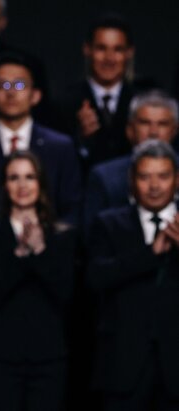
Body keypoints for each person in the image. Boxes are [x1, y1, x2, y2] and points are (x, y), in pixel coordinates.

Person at [0, 151, 76, 411]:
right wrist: (20, 255)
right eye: (14, 178)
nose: (22, 185)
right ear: (4, 185)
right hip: (1, 356)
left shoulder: (62, 235)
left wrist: (40, 251)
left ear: (41, 183)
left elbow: (66, 293)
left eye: (30, 177)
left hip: (49, 356)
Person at [87, 140, 179, 411]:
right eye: (145, 177)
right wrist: (151, 253)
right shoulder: (108, 223)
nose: (154, 186)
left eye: (163, 176)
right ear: (131, 180)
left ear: (177, 179)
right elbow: (96, 278)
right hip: (123, 365)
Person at [0, 55, 81, 229]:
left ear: (35, 95)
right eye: (3, 85)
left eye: (20, 85)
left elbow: (72, 210)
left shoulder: (61, 147)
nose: (11, 92)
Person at [53, 13, 152, 171]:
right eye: (101, 48)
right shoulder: (64, 103)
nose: (109, 58)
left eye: (118, 49)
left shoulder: (145, 102)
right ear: (87, 49)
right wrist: (81, 139)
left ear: (129, 52)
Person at [84, 90, 178, 233]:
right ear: (130, 130)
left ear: (175, 130)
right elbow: (90, 238)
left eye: (162, 124)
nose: (153, 132)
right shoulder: (104, 177)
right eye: (145, 123)